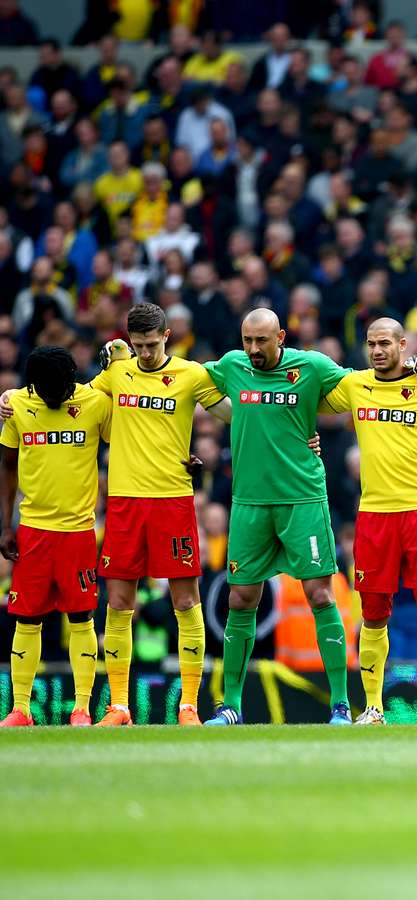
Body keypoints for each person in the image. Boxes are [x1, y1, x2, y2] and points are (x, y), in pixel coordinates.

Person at [201, 309, 359, 726]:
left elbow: (362, 387)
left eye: (261, 341)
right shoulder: (232, 366)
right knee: (240, 598)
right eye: (247, 340)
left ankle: (341, 705)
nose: (253, 349)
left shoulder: (311, 366)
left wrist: (413, 371)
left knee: (320, 595)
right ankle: (231, 706)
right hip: (250, 503)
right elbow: (182, 381)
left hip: (302, 500)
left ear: (281, 337)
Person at [81, 305, 228, 726]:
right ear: (130, 341)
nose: (145, 354)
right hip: (124, 503)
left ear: (166, 336)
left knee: (186, 600)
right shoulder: (117, 372)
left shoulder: (191, 374)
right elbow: (78, 402)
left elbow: (234, 414)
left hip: (172, 500)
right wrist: (15, 398)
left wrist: (290, 428)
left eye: (151, 344)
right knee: (119, 603)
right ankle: (119, 706)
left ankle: (188, 707)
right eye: (138, 346)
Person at [319, 319, 417, 724]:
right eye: (372, 344)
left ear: (403, 344)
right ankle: (373, 708)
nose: (378, 350)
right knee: (374, 613)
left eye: (385, 343)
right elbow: (312, 397)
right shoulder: (355, 384)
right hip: (375, 515)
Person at [0, 347, 110, 727]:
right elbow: (7, 466)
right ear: (32, 385)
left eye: (59, 390)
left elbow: (130, 430)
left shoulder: (95, 403)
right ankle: (20, 709)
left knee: (81, 617)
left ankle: (82, 709)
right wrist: (6, 525)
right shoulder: (17, 405)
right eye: (44, 391)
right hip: (33, 530)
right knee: (26, 619)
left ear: (72, 381)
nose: (52, 397)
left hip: (78, 531)